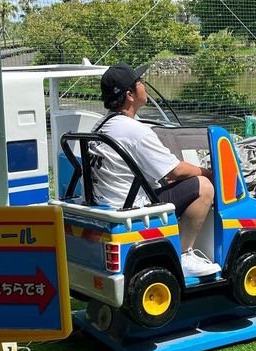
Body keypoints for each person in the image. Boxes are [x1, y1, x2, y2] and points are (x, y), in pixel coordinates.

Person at [89, 62, 221, 278]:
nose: (144, 85)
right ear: (130, 94)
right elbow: (175, 171)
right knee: (203, 186)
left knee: (175, 185)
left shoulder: (101, 125)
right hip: (131, 206)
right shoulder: (134, 130)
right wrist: (208, 173)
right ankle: (184, 254)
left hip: (109, 201)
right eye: (140, 82)